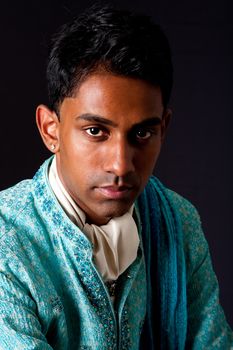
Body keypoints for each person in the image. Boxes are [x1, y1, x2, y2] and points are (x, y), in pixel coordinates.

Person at [0, 4, 232, 350]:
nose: (122, 166)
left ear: (163, 129)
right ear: (51, 130)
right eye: (96, 131)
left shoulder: (179, 224)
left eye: (142, 134)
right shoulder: (7, 242)